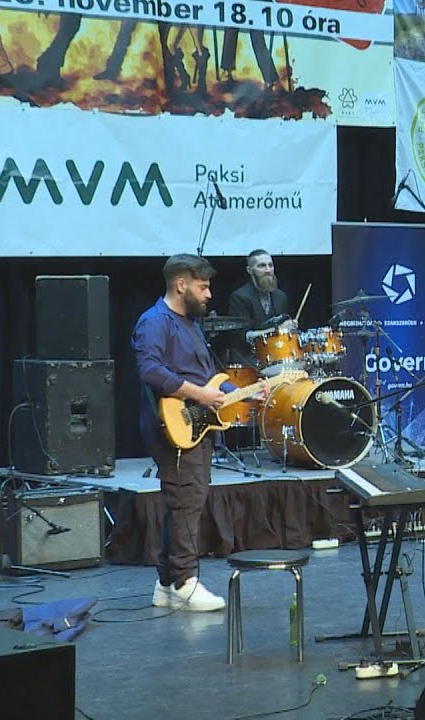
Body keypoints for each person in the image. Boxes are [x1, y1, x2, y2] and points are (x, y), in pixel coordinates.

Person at [132, 254, 235, 612]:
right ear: (181, 285)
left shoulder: (190, 324)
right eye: (203, 287)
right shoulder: (154, 322)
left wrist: (245, 392)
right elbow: (150, 370)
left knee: (185, 502)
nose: (209, 294)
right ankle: (184, 582)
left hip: (195, 425)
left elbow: (207, 379)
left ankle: (165, 585)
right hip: (172, 427)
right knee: (187, 501)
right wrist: (200, 395)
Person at [227, 249, 297, 365]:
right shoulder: (240, 297)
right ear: (249, 270)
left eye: (270, 265)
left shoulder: (280, 296)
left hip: (276, 355)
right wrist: (277, 330)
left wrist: (290, 327)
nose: (268, 270)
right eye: (262, 266)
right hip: (249, 360)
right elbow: (244, 336)